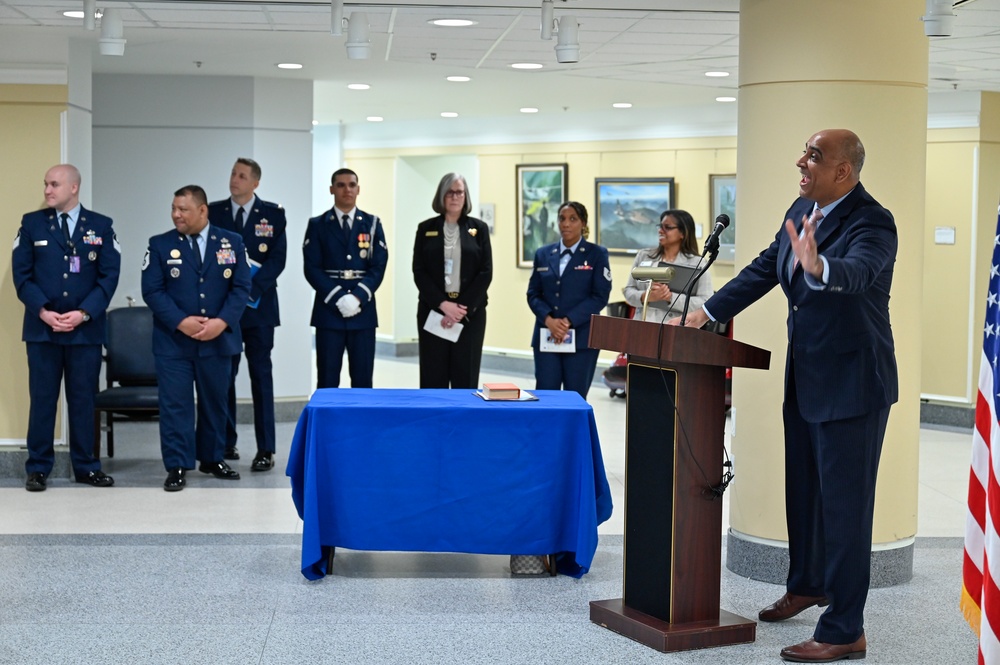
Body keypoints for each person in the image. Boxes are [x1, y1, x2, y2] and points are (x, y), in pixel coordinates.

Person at [674, 129, 897, 663]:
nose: (801, 161)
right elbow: (764, 267)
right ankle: (809, 583)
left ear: (844, 170)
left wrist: (821, 266)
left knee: (845, 509)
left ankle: (845, 629)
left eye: (814, 156)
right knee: (806, 492)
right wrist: (710, 310)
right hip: (806, 378)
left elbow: (860, 271)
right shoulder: (802, 206)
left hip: (853, 385)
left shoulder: (872, 220)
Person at [11, 164, 120, 492]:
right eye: (45, 184)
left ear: (74, 188)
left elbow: (108, 277)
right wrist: (42, 311)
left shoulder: (101, 226)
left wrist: (84, 313)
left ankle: (86, 466)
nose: (47, 190)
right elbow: (22, 275)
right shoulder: (32, 224)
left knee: (83, 399)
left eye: (54, 184)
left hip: (84, 331)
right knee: (43, 399)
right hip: (43, 330)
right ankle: (38, 468)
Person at [141, 185, 251, 492]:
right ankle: (177, 464)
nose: (176, 214)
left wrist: (221, 322)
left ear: (202, 210)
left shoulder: (232, 242)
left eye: (183, 209)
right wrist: (181, 321)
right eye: (174, 208)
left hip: (218, 339)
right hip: (174, 342)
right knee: (176, 405)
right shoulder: (160, 244)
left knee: (215, 402)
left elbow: (241, 288)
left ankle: (212, 458)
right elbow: (152, 290)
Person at [208, 157, 287, 472]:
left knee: (261, 377)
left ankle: (266, 448)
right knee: (224, 376)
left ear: (255, 182)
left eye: (242, 176)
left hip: (259, 308)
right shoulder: (213, 213)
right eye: (232, 173)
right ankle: (226, 441)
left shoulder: (273, 214)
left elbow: (277, 260)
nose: (234, 179)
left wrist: (249, 293)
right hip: (224, 310)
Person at [303, 168, 388, 389]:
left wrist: (358, 297)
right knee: (327, 379)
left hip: (363, 312)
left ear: (358, 189)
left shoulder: (372, 223)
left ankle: (361, 423)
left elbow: (378, 266)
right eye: (340, 185)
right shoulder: (318, 225)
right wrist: (338, 297)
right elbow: (312, 268)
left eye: (351, 185)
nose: (347, 190)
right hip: (329, 312)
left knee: (362, 379)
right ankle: (329, 424)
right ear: (332, 189)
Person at [412, 173, 493, 389]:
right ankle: (434, 421)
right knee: (433, 377)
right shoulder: (425, 228)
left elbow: (486, 272)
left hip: (470, 316)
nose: (455, 197)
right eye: (450, 192)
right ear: (441, 195)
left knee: (465, 377)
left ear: (465, 196)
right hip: (434, 311)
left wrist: (460, 310)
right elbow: (419, 271)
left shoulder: (479, 229)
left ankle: (464, 422)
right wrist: (443, 305)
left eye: (459, 192)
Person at [526, 201, 612, 399]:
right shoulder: (543, 254)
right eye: (562, 219)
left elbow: (600, 296)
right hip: (547, 335)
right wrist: (549, 320)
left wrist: (567, 322)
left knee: (575, 397)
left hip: (581, 338)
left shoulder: (596, 254)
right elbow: (533, 294)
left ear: (583, 223)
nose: (566, 224)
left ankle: (573, 432)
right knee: (546, 396)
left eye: (572, 219)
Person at [622, 209, 712, 322]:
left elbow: (705, 303)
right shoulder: (644, 256)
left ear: (683, 233)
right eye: (660, 226)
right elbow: (628, 291)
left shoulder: (698, 263)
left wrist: (670, 297)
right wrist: (646, 296)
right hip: (642, 326)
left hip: (675, 329)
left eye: (668, 227)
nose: (660, 231)